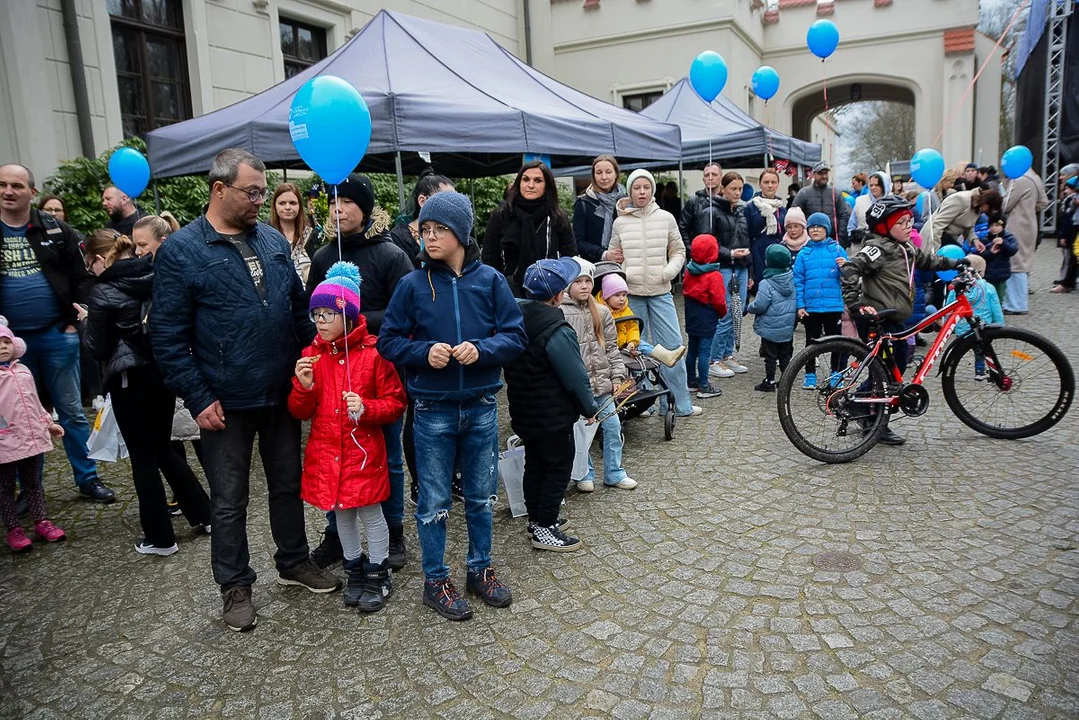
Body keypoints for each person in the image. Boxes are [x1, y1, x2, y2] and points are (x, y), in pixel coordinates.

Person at [150, 148, 340, 633]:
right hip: (224, 401)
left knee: (287, 484)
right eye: (251, 192)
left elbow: (299, 313)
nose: (261, 200)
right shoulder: (182, 250)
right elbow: (167, 336)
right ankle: (235, 586)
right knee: (230, 499)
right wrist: (197, 396)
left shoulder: (273, 242)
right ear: (219, 190)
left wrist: (313, 361)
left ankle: (294, 561)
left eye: (262, 192)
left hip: (279, 392)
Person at [379, 191, 527, 621]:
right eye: (424, 230)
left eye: (438, 229)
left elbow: (515, 336)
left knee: (481, 498)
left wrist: (480, 350)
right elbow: (388, 341)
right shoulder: (411, 285)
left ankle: (479, 569)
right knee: (434, 501)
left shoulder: (492, 281)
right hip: (431, 410)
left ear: (461, 233)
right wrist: (424, 353)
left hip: (481, 405)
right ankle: (435, 579)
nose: (429, 237)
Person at [305, 173, 414, 572]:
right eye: (332, 202)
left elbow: (406, 313)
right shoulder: (321, 257)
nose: (338, 209)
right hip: (331, 377)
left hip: (378, 373)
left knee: (387, 459)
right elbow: (310, 314)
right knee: (336, 458)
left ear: (365, 209)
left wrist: (353, 321)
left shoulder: (390, 255)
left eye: (347, 202)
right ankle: (337, 535)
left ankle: (394, 530)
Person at [81, 230, 212, 556]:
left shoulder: (103, 291)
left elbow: (96, 347)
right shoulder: (156, 276)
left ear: (100, 260)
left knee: (143, 458)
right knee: (162, 449)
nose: (91, 271)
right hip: (163, 374)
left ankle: (160, 538)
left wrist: (85, 321)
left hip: (128, 381)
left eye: (89, 265)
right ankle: (205, 514)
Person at [290, 262, 407, 613]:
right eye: (316, 315)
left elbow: (395, 403)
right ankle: (354, 568)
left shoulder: (373, 355)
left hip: (363, 453)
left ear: (349, 315)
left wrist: (366, 408)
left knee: (371, 513)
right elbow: (299, 411)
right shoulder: (311, 356)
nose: (321, 321)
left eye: (328, 313)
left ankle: (378, 571)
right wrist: (303, 387)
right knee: (341, 515)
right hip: (327, 452)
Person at [0, 163, 113, 502]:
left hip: (55, 335)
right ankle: (25, 491)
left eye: (17, 186)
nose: (8, 192)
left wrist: (71, 322)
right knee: (16, 418)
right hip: (7, 345)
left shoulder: (55, 228)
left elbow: (82, 276)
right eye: (2, 185)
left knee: (72, 412)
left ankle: (87, 477)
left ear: (31, 192)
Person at [840, 195, 963, 445]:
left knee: (894, 365)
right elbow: (851, 268)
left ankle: (863, 406)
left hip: (894, 318)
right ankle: (873, 422)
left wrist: (958, 263)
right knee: (887, 374)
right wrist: (855, 305)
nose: (910, 227)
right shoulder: (878, 248)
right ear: (885, 226)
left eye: (910, 222)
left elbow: (929, 260)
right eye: (903, 223)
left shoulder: (905, 247)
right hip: (877, 318)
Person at [503, 258, 597, 552]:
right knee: (558, 467)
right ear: (558, 295)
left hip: (525, 410)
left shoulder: (514, 318)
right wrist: (589, 407)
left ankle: (536, 519)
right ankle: (545, 526)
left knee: (535, 466)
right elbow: (575, 377)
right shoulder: (557, 329)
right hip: (553, 416)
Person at [607, 168, 701, 418]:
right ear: (630, 191)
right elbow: (612, 253)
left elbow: (679, 251)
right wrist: (614, 262)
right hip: (630, 294)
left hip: (661, 291)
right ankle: (640, 402)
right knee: (631, 346)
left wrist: (667, 272)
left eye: (646, 187)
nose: (641, 192)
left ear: (652, 190)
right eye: (636, 188)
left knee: (672, 345)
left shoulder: (666, 218)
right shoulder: (620, 221)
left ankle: (680, 404)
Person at [561, 258, 636, 493]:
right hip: (579, 389)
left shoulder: (602, 312)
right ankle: (584, 473)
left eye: (587, 281)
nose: (584, 286)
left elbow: (612, 348)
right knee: (581, 433)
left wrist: (617, 377)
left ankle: (614, 472)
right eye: (578, 281)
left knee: (613, 427)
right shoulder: (560, 312)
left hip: (603, 385)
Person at [0, 317, 66, 553]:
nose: (2, 346)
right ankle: (13, 529)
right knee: (6, 487)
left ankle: (41, 521)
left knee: (33, 482)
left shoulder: (24, 371)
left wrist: (48, 423)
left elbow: (34, 402)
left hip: (30, 438)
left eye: (6, 341)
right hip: (4, 441)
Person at [482, 161, 576, 296]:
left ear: (547, 185)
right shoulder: (501, 215)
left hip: (549, 294)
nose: (530, 185)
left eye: (538, 180)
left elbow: (569, 257)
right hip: (508, 293)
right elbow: (489, 259)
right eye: (525, 179)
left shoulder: (557, 218)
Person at [793, 213, 848, 390]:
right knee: (811, 342)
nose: (815, 229)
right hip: (812, 307)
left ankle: (836, 373)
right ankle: (810, 374)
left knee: (836, 342)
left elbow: (849, 277)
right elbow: (798, 281)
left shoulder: (837, 250)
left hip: (833, 306)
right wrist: (800, 305)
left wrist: (845, 267)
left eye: (820, 226)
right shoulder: (804, 253)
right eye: (812, 227)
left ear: (827, 229)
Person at [707, 172, 751, 379]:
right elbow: (709, 243)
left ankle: (727, 354)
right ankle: (713, 359)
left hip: (741, 267)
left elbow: (746, 239)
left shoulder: (741, 211)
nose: (737, 192)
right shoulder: (712, 212)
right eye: (733, 188)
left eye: (740, 189)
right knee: (724, 314)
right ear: (723, 189)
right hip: (723, 267)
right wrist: (730, 253)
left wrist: (749, 267)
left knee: (738, 312)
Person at [596, 271, 684, 366]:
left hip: (625, 343)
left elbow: (632, 328)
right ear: (606, 296)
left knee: (641, 344)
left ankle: (665, 356)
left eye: (624, 295)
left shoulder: (626, 310)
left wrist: (632, 342)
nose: (622, 299)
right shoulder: (599, 311)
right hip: (608, 346)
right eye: (617, 295)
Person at [746, 244, 797, 392]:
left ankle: (769, 380)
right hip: (787, 327)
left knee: (770, 356)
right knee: (785, 355)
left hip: (770, 327)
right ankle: (786, 380)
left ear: (768, 262)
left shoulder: (766, 283)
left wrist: (750, 307)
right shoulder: (792, 280)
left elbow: (760, 305)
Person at [682, 234, 727, 400]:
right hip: (707, 316)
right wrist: (722, 313)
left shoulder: (689, 271)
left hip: (691, 315)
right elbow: (719, 300)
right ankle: (704, 385)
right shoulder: (714, 276)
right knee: (704, 351)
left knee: (692, 348)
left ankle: (690, 381)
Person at [1001, 168, 1048, 314]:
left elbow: (1005, 204)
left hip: (1017, 225)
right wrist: (1029, 208)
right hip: (1030, 223)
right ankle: (1018, 302)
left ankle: (1015, 304)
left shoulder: (1019, 180)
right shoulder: (1035, 178)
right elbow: (1043, 202)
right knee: (1025, 262)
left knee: (1016, 264)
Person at [389, 171, 454, 269]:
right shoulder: (397, 239)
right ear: (422, 201)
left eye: (456, 201)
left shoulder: (453, 233)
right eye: (446, 201)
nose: (453, 207)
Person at [572, 155, 626, 263]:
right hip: (595, 266)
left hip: (626, 265)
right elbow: (578, 242)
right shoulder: (583, 203)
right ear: (593, 175)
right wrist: (604, 254)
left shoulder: (625, 202)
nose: (604, 177)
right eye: (599, 172)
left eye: (608, 172)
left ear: (616, 173)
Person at [792, 161, 851, 248]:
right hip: (809, 242)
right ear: (813, 174)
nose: (824, 176)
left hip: (832, 241)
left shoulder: (836, 193)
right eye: (820, 173)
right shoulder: (803, 193)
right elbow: (794, 215)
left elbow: (844, 215)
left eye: (825, 173)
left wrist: (841, 238)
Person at [924, 186, 1003, 251]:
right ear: (986, 203)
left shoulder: (978, 207)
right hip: (934, 238)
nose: (986, 212)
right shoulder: (960, 200)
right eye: (989, 209)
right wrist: (935, 251)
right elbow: (938, 225)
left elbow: (969, 225)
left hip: (947, 239)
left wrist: (974, 240)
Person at [745, 169, 787, 290]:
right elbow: (746, 235)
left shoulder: (782, 209)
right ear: (760, 184)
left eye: (773, 182)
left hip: (778, 253)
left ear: (778, 184)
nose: (770, 185)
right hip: (757, 254)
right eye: (766, 182)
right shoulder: (751, 207)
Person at [269, 183, 314, 287]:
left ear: (299, 205)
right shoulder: (265, 234)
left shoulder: (312, 234)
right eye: (282, 203)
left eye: (293, 203)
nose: (288, 207)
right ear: (275, 205)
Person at [964, 213, 1017, 300]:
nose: (994, 228)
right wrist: (990, 252)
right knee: (986, 297)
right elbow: (979, 255)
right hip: (988, 275)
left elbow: (1012, 250)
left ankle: (998, 311)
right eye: (991, 225)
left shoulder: (1008, 237)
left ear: (1003, 226)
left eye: (997, 225)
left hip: (1001, 275)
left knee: (999, 297)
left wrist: (1003, 243)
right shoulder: (985, 239)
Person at [678, 162, 724, 254]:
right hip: (700, 256)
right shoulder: (693, 201)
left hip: (724, 256)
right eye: (707, 175)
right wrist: (691, 250)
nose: (710, 178)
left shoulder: (728, 200)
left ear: (721, 177)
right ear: (703, 179)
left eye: (714, 174)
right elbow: (683, 228)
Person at [848, 172, 889, 244]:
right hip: (862, 245)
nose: (873, 188)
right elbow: (851, 225)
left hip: (887, 246)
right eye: (871, 185)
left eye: (877, 185)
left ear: (884, 185)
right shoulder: (860, 201)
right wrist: (854, 238)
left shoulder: (893, 202)